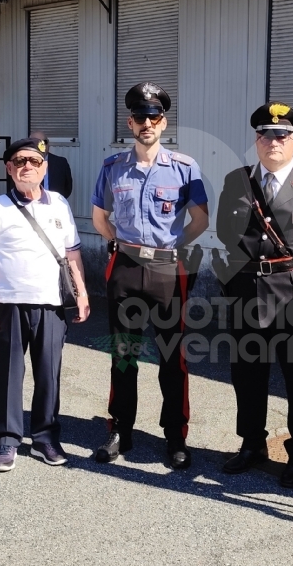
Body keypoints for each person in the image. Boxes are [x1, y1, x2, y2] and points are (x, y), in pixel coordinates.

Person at [215, 102, 293, 487]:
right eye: (266, 135)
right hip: (249, 292)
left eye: (282, 135)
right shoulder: (236, 182)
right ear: (257, 141)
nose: (274, 141)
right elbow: (226, 231)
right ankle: (252, 444)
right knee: (247, 375)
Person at [90, 82, 209, 469]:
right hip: (125, 267)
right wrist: (121, 245)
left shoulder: (184, 167)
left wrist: (171, 245)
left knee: (172, 357)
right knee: (122, 354)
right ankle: (120, 430)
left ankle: (175, 435)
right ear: (130, 122)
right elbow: (99, 219)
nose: (147, 123)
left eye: (153, 116)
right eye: (140, 117)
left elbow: (200, 219)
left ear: (163, 122)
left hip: (165, 269)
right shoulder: (112, 168)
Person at [0, 137, 90, 472]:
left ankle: (45, 438)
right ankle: (7, 440)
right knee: (8, 375)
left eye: (34, 162)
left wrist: (81, 293)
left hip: (50, 304)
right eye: (20, 161)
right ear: (9, 169)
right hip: (8, 304)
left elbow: (73, 255)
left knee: (48, 374)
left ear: (44, 168)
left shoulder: (60, 206)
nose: (27, 166)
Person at [30, 130, 73, 198]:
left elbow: (67, 188)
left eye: (45, 142)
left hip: (55, 205)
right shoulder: (24, 164)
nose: (42, 145)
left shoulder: (61, 163)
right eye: (37, 142)